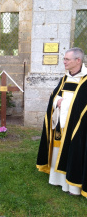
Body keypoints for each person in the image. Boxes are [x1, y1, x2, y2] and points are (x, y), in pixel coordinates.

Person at [36, 47, 87, 197]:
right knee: (58, 149)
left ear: (78, 61)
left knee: (75, 152)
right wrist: (58, 101)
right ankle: (57, 179)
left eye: (67, 59)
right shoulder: (65, 78)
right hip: (61, 123)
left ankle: (73, 187)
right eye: (64, 59)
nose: (64, 62)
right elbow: (55, 96)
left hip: (78, 126)